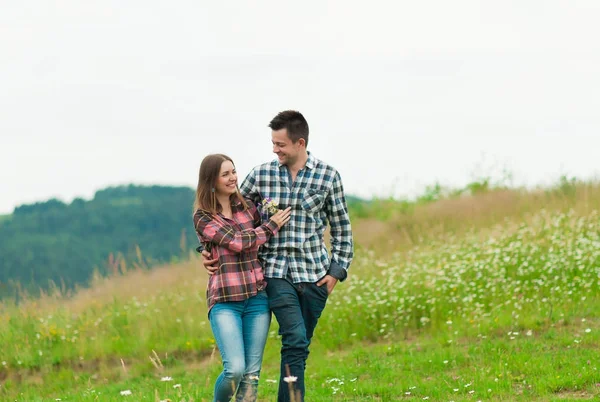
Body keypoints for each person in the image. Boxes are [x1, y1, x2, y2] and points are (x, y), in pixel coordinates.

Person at [202, 111, 354, 402]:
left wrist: (337, 271)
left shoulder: (328, 176)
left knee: (299, 346)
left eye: (280, 144)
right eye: (272, 143)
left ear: (299, 143)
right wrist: (207, 249)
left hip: (315, 276)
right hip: (274, 273)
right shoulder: (261, 175)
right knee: (295, 339)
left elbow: (342, 227)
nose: (274, 149)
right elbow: (225, 211)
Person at [193, 153, 292, 402]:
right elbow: (237, 242)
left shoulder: (248, 206)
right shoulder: (203, 216)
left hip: (257, 298)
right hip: (225, 301)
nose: (233, 177)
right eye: (225, 174)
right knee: (234, 369)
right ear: (211, 180)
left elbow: (260, 240)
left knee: (251, 375)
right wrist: (271, 227)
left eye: (234, 171)